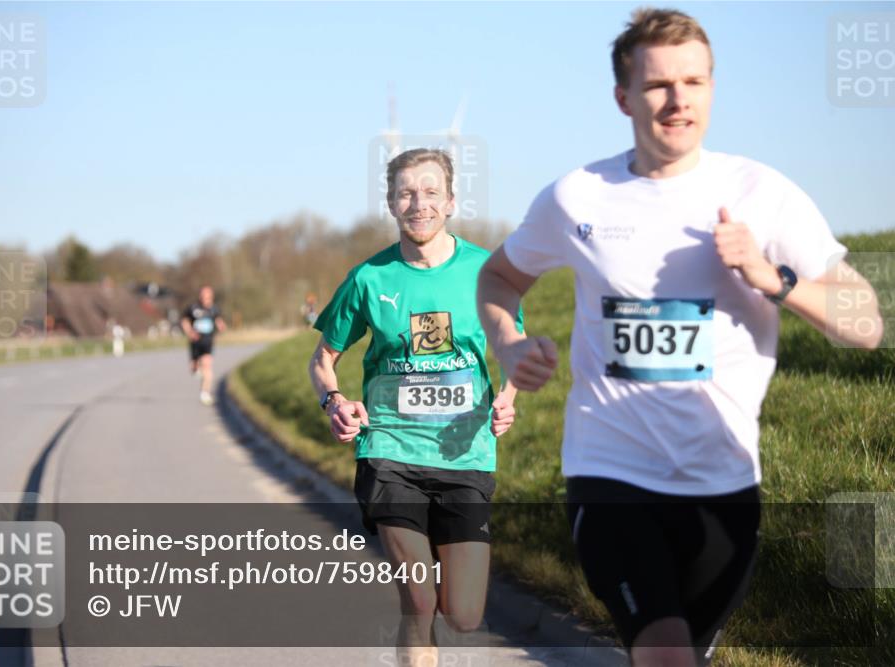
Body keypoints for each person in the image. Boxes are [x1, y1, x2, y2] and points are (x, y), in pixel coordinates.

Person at [476, 8, 882, 667]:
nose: (678, 100)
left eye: (694, 82)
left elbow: (866, 323)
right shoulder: (578, 197)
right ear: (624, 97)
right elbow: (498, 278)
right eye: (660, 84)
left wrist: (771, 277)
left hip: (723, 483)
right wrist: (509, 343)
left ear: (713, 88)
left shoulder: (762, 193)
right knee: (664, 654)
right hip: (610, 473)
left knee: (683, 654)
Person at [308, 148, 521, 667]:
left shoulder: (486, 273)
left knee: (464, 616)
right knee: (420, 599)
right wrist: (333, 400)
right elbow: (323, 359)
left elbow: (514, 351)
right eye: (406, 192)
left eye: (429, 192)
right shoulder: (368, 278)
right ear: (391, 203)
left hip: (465, 456)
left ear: (450, 201)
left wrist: (508, 399)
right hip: (389, 454)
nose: (417, 203)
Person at [181, 285, 227, 405]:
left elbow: (219, 321)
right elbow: (184, 321)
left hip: (208, 342)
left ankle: (205, 393)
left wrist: (221, 327)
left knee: (207, 365)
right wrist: (190, 331)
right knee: (195, 368)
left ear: (211, 297)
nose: (205, 298)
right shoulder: (193, 308)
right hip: (195, 343)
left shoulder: (214, 309)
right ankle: (196, 368)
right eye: (203, 296)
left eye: (207, 296)